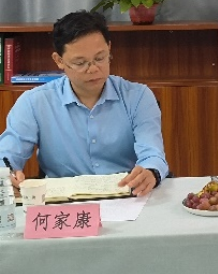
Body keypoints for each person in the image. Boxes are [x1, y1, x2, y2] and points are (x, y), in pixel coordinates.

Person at [0, 10, 169, 196]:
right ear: (59, 60)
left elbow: (152, 154)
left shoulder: (138, 97)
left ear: (109, 48)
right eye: (80, 63)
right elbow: (7, 155)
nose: (93, 69)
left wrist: (150, 172)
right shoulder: (34, 103)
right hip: (62, 201)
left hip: (127, 195)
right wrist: (6, 176)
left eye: (100, 58)